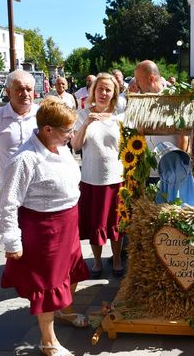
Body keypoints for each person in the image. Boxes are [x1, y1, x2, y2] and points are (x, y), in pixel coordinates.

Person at [0, 98, 90, 356]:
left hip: (67, 223)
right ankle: (48, 342)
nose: (72, 135)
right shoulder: (25, 159)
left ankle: (65, 311)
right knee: (48, 284)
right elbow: (6, 203)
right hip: (44, 229)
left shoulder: (60, 147)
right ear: (48, 129)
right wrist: (12, 241)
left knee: (70, 272)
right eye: (67, 131)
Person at [70, 73, 125, 279]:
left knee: (116, 223)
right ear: (93, 91)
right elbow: (75, 146)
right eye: (100, 89)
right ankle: (97, 261)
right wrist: (86, 124)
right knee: (95, 223)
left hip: (115, 179)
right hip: (91, 178)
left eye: (108, 90)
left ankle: (117, 259)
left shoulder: (120, 117)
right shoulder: (82, 114)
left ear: (114, 93)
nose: (103, 93)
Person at [0, 70, 39, 185]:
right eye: (20, 89)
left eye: (29, 89)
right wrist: (9, 162)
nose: (25, 94)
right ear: (8, 92)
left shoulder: (43, 115)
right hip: (10, 185)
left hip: (39, 184)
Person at [134, 60, 188, 182]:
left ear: (151, 78)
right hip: (148, 172)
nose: (136, 84)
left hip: (171, 171)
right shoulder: (140, 101)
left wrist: (177, 168)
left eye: (138, 79)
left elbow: (183, 138)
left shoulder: (174, 100)